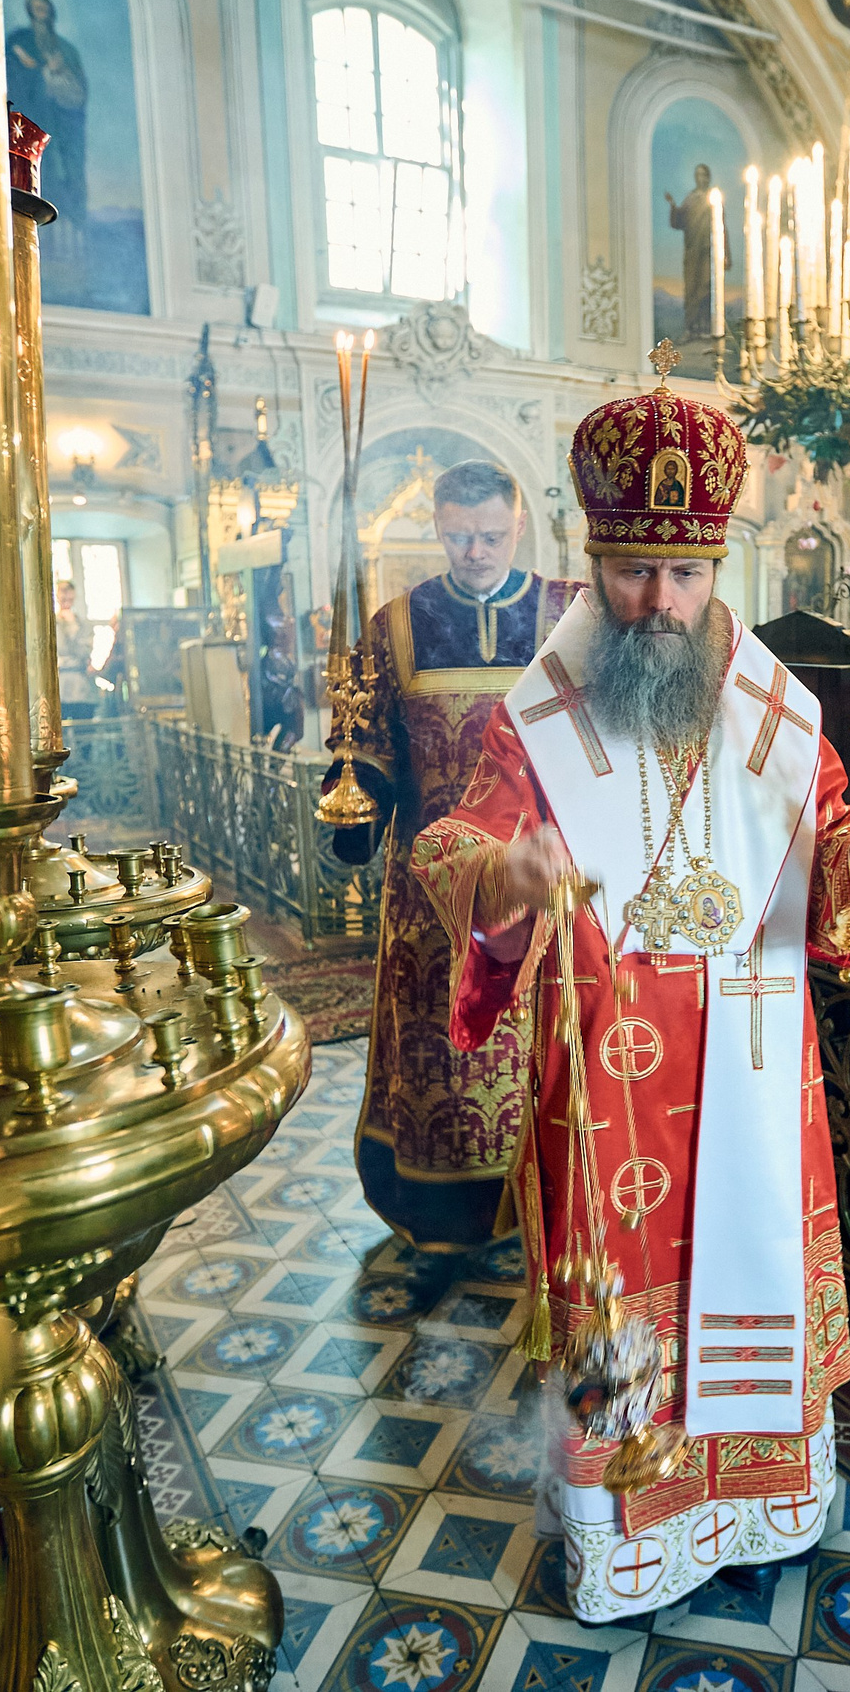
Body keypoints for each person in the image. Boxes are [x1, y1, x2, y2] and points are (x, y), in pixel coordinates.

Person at [410, 372, 850, 1622]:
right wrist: (502, 872)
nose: (659, 601)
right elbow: (446, 851)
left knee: (748, 1271)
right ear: (594, 559)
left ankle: (764, 1502)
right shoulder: (529, 719)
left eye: (683, 573)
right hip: (606, 1073)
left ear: (714, 567)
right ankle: (625, 1525)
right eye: (635, 570)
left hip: (752, 1063)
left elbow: (826, 840)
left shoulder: (776, 711)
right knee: (618, 1294)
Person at [322, 460, 583, 1255]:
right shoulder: (396, 624)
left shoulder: (571, 616)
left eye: (491, 535)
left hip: (542, 876)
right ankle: (440, 1210)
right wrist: (353, 794)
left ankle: (554, 1203)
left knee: (542, 1036)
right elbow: (367, 740)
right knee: (442, 1044)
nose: (475, 550)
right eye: (459, 535)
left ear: (519, 527)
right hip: (432, 892)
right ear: (437, 529)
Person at [6, 0, 87, 230]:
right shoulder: (19, 41)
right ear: (30, 13)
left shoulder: (66, 49)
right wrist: (40, 71)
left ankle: (74, 221)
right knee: (43, 169)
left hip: (63, 123)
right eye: (36, 9)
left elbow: (79, 91)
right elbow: (12, 77)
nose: (40, 13)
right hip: (33, 117)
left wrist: (57, 73)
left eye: (44, 9)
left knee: (68, 165)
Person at [663, 163, 723, 343]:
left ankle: (706, 328)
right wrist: (673, 206)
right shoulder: (690, 198)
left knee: (706, 287)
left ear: (708, 177)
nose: (700, 178)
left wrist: (724, 255)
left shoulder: (713, 199)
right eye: (697, 175)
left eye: (704, 175)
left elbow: (721, 226)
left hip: (708, 250)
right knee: (691, 288)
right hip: (692, 250)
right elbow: (680, 221)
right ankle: (691, 328)